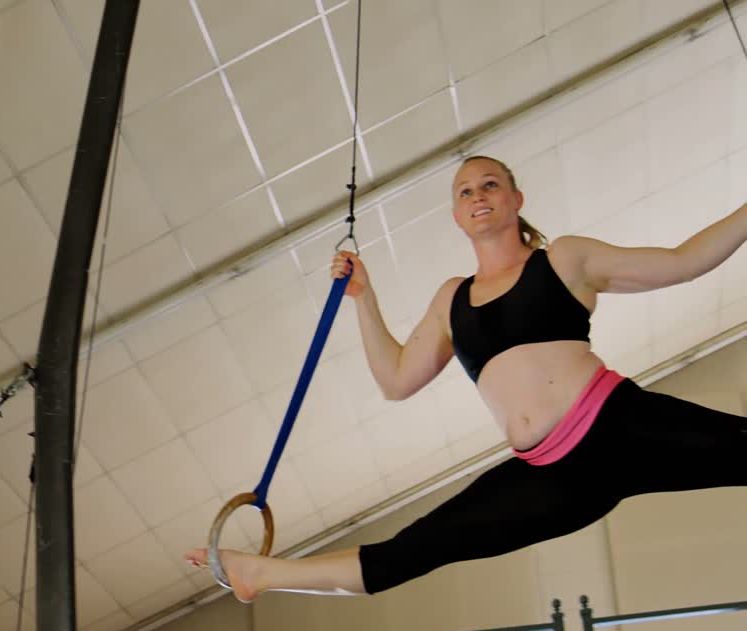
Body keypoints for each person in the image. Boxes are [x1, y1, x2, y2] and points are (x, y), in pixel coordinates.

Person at [185, 155, 747, 600]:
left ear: (516, 199)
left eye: (490, 185)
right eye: (466, 191)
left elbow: (683, 261)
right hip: (549, 475)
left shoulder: (564, 260)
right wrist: (364, 298)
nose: (479, 196)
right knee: (418, 547)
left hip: (619, 427)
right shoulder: (452, 299)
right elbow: (397, 381)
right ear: (456, 216)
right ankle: (262, 574)